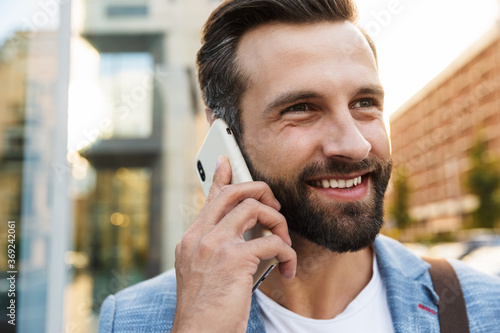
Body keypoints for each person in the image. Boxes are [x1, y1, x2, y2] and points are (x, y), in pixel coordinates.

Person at [98, 0, 500, 332]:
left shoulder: (484, 307)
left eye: (364, 103)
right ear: (225, 138)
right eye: (302, 108)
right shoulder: (132, 320)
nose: (354, 145)